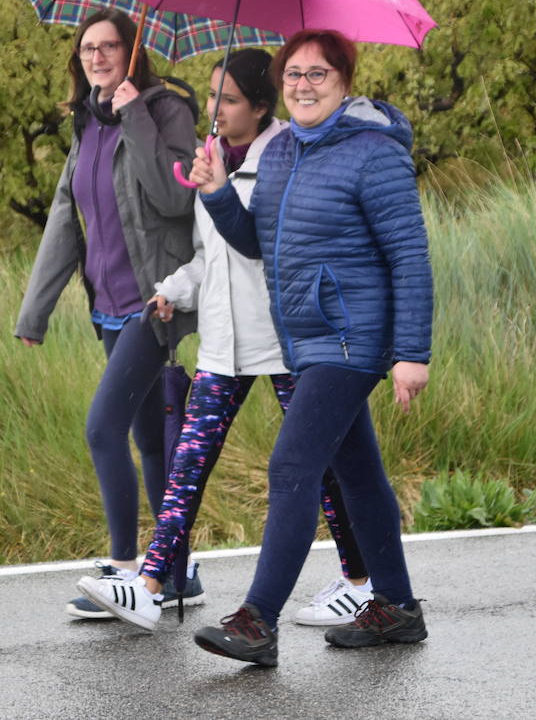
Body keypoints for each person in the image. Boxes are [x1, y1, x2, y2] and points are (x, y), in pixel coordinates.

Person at [73, 49, 374, 631]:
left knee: (326, 467)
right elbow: (210, 256)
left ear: (263, 107)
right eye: (212, 95)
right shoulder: (212, 158)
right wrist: (175, 289)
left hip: (285, 340)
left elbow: (267, 247)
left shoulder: (289, 156)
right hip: (222, 345)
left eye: (229, 99)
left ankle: (360, 582)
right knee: (189, 462)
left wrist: (223, 193)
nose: (214, 108)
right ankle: (151, 584)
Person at [187, 29, 433, 664]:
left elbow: (409, 256)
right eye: (292, 74)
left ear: (344, 81)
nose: (302, 85)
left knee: (292, 465)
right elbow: (257, 242)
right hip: (307, 336)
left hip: (353, 336)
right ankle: (399, 608)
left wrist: (412, 353)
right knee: (356, 471)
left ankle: (257, 621)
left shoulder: (373, 153)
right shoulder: (279, 154)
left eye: (317, 74)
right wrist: (216, 192)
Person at [14, 8, 199, 618]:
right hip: (107, 306)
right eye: (87, 49)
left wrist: (135, 113)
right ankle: (174, 570)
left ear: (131, 52)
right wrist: (34, 313)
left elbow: (173, 197)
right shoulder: (86, 124)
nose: (97, 57)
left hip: (155, 301)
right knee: (147, 437)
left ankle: (126, 566)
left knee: (102, 427)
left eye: (109, 46)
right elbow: (67, 217)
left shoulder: (164, 108)